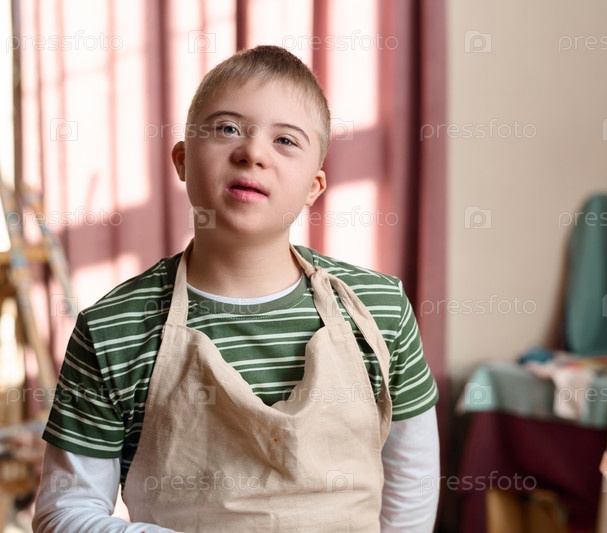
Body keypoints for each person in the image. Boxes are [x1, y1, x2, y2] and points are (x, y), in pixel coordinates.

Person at [32, 45, 440, 532]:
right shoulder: (111, 330)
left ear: (313, 188)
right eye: (227, 129)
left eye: (285, 140)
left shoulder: (381, 310)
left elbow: (411, 484)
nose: (253, 153)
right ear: (182, 159)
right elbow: (65, 511)